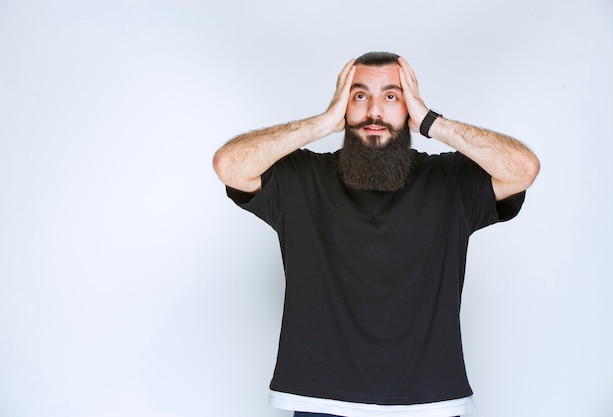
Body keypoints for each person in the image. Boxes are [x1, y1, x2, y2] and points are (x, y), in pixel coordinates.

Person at [213, 51, 540, 417]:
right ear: (343, 105)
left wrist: (432, 121)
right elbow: (229, 165)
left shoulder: (450, 181)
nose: (374, 111)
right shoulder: (302, 178)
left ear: (409, 107)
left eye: (391, 96)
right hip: (319, 401)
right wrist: (322, 123)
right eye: (359, 95)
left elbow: (522, 169)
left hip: (430, 405)